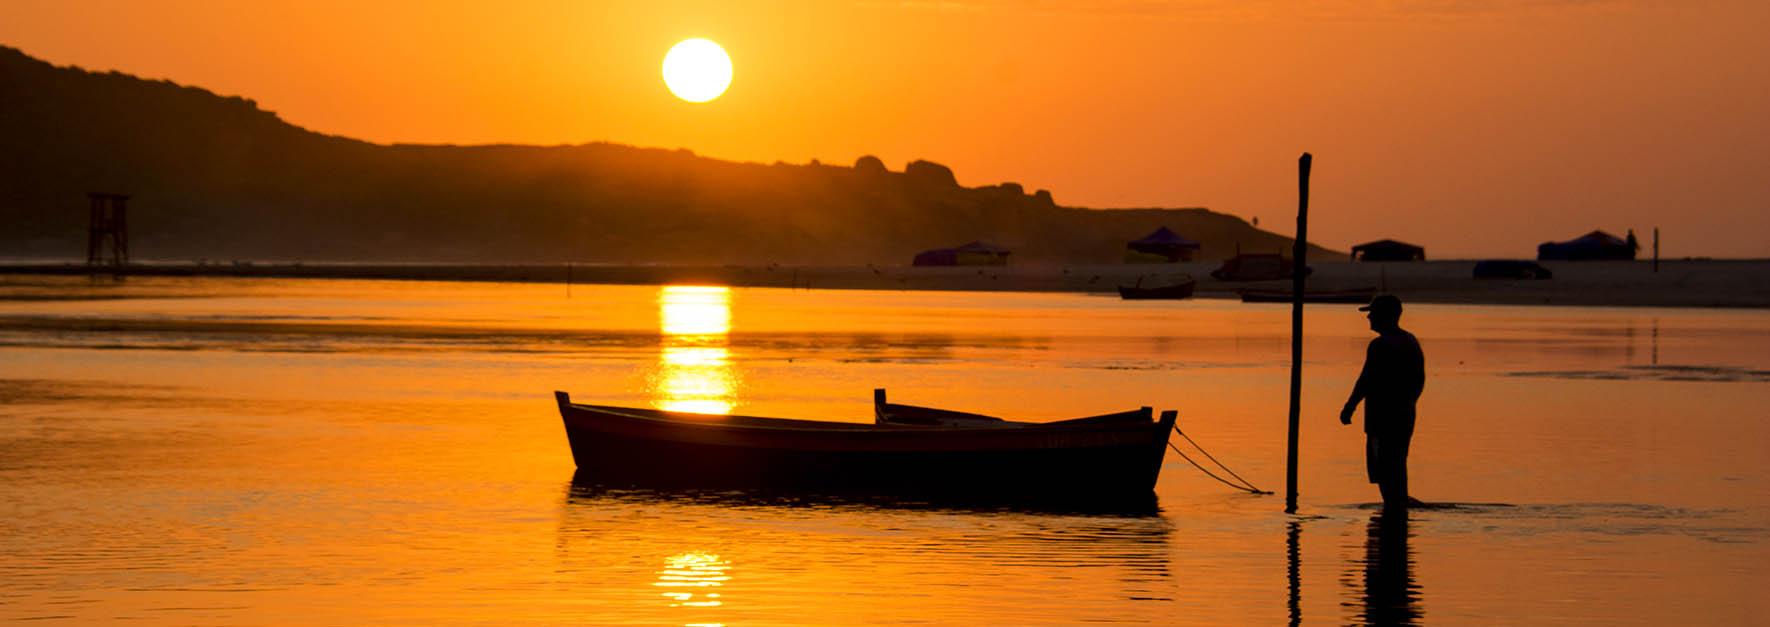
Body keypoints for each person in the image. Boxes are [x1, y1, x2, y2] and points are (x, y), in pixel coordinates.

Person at [1340, 294, 1425, 510]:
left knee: (1386, 468)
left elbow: (1367, 379)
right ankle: (1397, 515)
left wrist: (1350, 406)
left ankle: (1395, 512)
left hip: (1383, 418)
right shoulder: (1410, 340)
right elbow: (1419, 380)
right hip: (1404, 415)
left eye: (1372, 313)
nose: (1368, 317)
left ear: (1384, 316)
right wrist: (1408, 404)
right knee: (1396, 465)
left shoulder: (1380, 345)